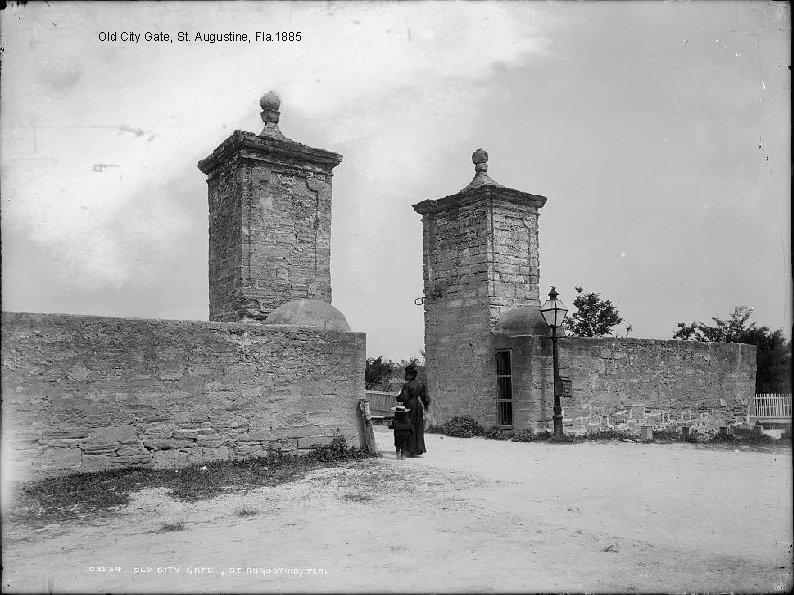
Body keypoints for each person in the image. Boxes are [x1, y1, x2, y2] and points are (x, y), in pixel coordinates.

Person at [395, 363, 429, 457]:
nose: (405, 376)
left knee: (408, 426)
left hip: (409, 406)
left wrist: (398, 398)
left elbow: (404, 397)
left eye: (406, 374)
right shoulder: (421, 384)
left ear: (411, 375)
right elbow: (425, 398)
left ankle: (409, 449)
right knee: (417, 427)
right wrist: (426, 409)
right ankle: (417, 449)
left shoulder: (407, 385)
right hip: (418, 406)